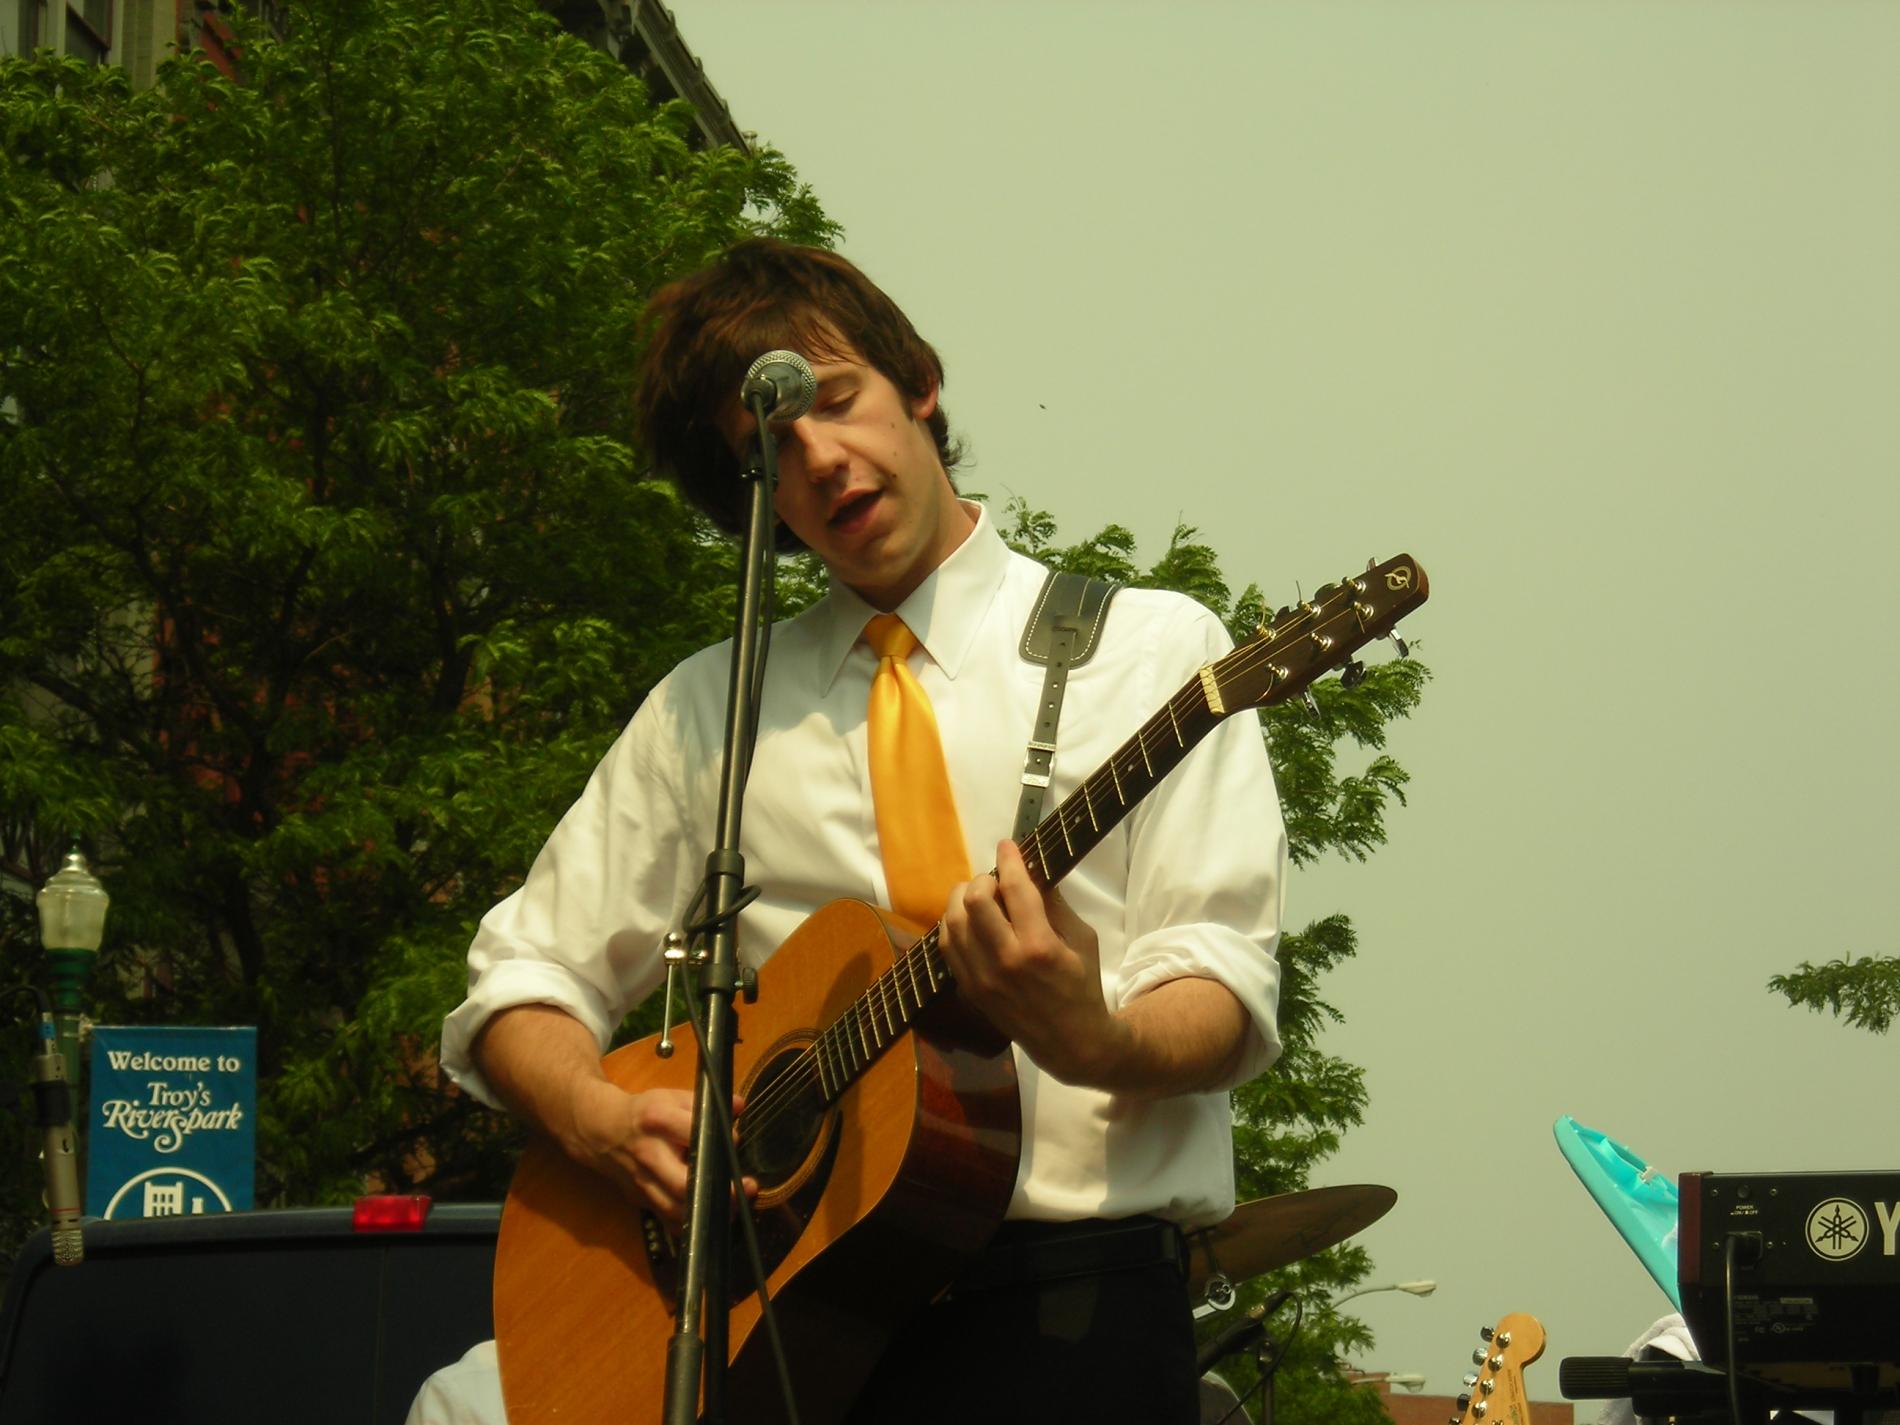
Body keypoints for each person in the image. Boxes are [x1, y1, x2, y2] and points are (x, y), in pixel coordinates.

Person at [438, 237, 1287, 1423]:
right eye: (769, 451)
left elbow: (1224, 982)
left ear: (919, 384)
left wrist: (1094, 1038)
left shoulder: (1153, 653)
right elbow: (519, 981)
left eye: (835, 401)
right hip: (793, 1329)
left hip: (1070, 1315)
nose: (820, 458)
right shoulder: (709, 709)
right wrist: (597, 1118)